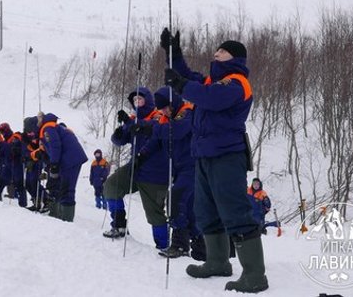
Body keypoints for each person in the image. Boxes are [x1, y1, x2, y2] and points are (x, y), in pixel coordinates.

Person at [163, 28, 267, 292]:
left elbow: (209, 98)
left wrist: (183, 86)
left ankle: (255, 276)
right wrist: (173, 54)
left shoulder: (236, 83)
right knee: (205, 210)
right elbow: (189, 78)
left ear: (233, 57)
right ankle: (217, 262)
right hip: (205, 156)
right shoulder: (212, 81)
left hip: (227, 156)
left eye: (220, 50)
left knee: (235, 210)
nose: (215, 53)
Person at [138, 86, 205, 260]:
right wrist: (143, 154)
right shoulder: (165, 119)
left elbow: (177, 131)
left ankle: (180, 244)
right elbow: (155, 140)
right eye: (161, 109)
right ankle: (201, 244)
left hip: (193, 165)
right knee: (188, 207)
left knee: (176, 197)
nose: (163, 111)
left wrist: (151, 128)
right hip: (179, 168)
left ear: (173, 103)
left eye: (165, 107)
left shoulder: (187, 112)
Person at [103, 87, 171, 252]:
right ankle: (119, 224)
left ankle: (163, 245)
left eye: (140, 99)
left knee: (154, 212)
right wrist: (120, 132)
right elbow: (120, 140)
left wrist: (130, 123)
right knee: (112, 185)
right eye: (134, 101)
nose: (137, 103)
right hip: (135, 165)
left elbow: (151, 129)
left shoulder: (158, 116)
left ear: (148, 100)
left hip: (155, 171)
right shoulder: (133, 119)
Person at [29, 113, 88, 222]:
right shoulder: (55, 127)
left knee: (66, 189)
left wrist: (54, 164)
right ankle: (59, 216)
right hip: (71, 158)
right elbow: (51, 147)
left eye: (38, 119)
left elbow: (55, 146)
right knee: (61, 188)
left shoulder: (47, 128)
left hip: (69, 160)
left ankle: (66, 220)